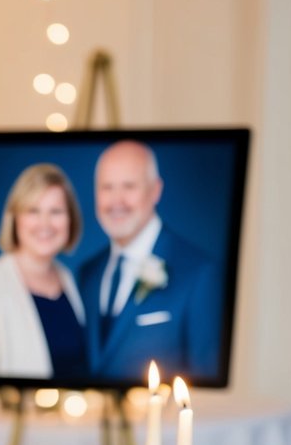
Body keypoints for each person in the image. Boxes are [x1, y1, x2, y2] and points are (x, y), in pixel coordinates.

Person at [77, 140, 221, 383]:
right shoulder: (87, 273)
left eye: (129, 186)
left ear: (155, 190)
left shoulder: (199, 272)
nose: (116, 201)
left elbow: (204, 379)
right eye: (107, 187)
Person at [0, 164, 86, 381]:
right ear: (15, 218)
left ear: (70, 219)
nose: (45, 223)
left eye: (56, 211)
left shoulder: (69, 279)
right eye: (33, 211)